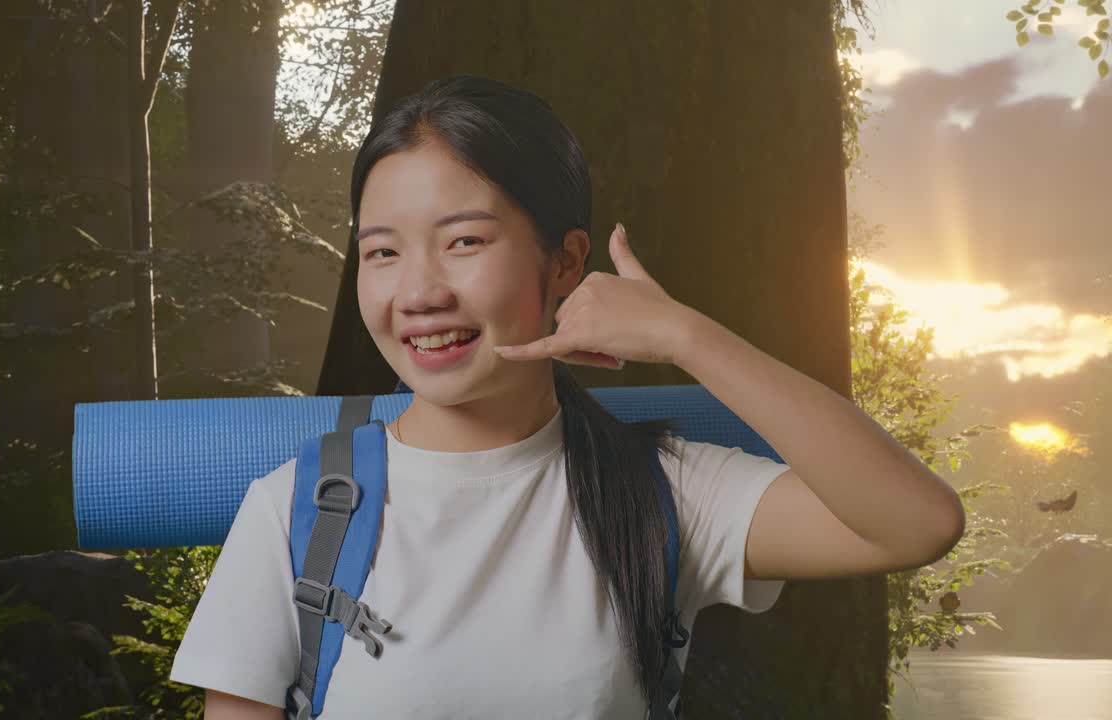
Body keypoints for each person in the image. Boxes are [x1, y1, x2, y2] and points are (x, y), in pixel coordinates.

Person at [168, 75, 966, 719]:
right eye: (382, 252)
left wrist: (689, 337)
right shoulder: (298, 511)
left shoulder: (665, 493)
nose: (417, 292)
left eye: (465, 242)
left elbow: (919, 522)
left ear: (564, 263)